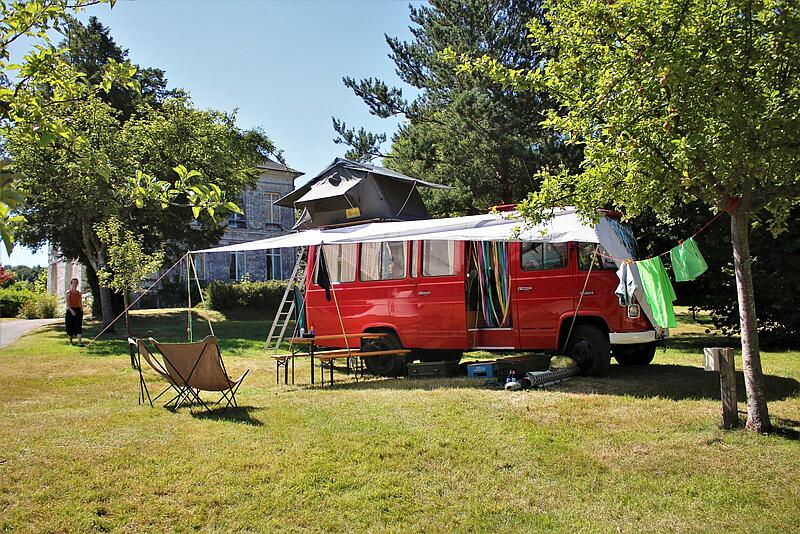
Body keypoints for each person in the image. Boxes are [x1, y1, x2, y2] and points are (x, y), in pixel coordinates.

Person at [65, 278, 83, 346]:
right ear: (71, 283)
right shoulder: (68, 293)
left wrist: (81, 309)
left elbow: (80, 302)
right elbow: (67, 303)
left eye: (76, 283)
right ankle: (70, 342)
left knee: (78, 326)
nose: (75, 284)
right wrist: (71, 310)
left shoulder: (79, 293)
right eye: (73, 283)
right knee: (70, 326)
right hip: (70, 310)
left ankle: (79, 342)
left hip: (78, 310)